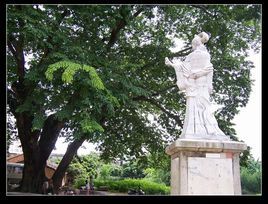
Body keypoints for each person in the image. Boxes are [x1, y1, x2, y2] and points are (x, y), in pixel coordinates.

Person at [165, 32, 229, 140]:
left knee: (197, 106)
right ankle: (202, 130)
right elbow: (208, 69)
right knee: (203, 106)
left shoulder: (194, 56)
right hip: (198, 83)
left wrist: (173, 65)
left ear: (195, 44)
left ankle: (200, 130)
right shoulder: (205, 55)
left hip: (194, 83)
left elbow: (183, 67)